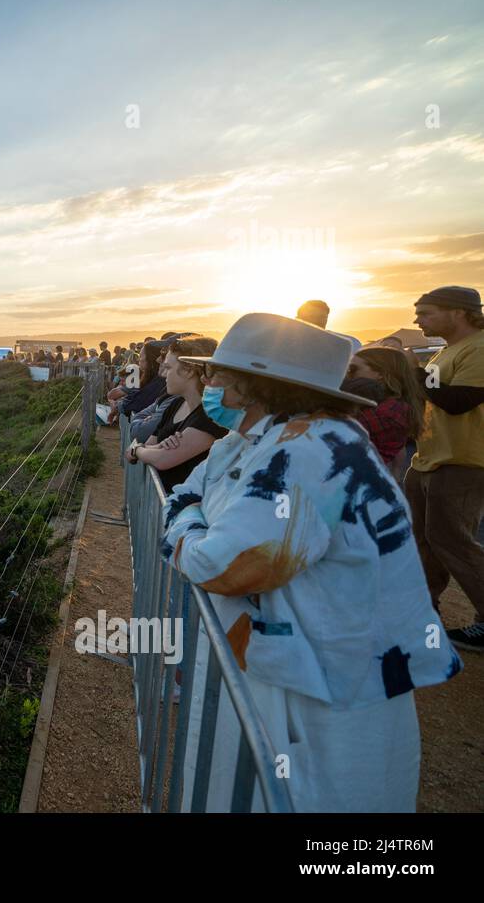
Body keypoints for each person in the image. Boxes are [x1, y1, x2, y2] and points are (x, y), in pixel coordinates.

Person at [163, 312, 461, 811]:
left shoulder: (308, 451)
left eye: (218, 374)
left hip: (327, 686)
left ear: (253, 385)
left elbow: (224, 565)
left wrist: (181, 529)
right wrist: (191, 518)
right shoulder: (255, 441)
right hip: (298, 667)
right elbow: (192, 491)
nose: (209, 383)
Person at [405, 285, 484, 651]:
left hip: (463, 461)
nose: (417, 320)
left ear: (458, 312)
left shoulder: (480, 347)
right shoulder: (445, 350)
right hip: (430, 458)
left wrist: (414, 374)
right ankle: (421, 612)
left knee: (454, 543)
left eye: (426, 312)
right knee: (424, 540)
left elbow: (458, 401)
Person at [127, 337, 225, 492]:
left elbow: (162, 459)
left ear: (188, 371)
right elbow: (151, 445)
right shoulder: (176, 404)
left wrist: (136, 450)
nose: (164, 374)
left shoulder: (211, 418)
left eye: (168, 368)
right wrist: (156, 447)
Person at [342, 346, 424, 475]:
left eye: (353, 369)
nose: (348, 375)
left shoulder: (389, 412)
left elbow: (341, 435)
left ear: (380, 373)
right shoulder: (383, 404)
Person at [296, 299, 361, 353]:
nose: (317, 321)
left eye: (322, 317)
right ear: (297, 319)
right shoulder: (288, 344)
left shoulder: (348, 345)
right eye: (311, 316)